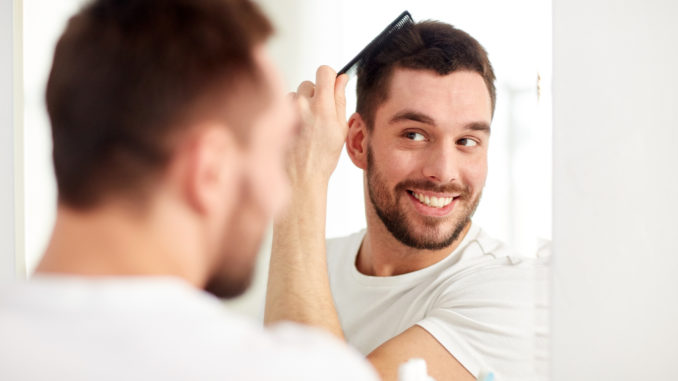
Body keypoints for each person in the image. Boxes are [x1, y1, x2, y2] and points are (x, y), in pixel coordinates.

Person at [0, 1, 378, 380]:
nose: (277, 194)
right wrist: (306, 181)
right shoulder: (282, 370)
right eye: (277, 150)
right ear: (209, 170)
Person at [265, 21, 537, 381]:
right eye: (415, 134)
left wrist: (299, 182)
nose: (443, 172)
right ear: (359, 142)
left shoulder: (514, 294)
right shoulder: (313, 264)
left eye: (467, 141)